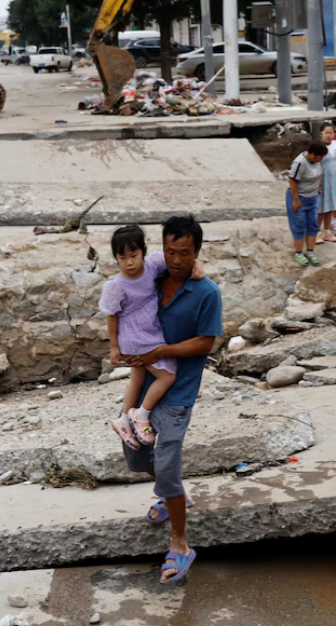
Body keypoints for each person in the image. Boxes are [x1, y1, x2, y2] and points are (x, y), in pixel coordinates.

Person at [119, 215, 223, 585]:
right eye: (170, 251)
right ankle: (170, 494)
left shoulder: (206, 292)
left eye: (185, 253)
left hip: (177, 391)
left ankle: (180, 543)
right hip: (144, 382)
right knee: (135, 454)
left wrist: (161, 351)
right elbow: (124, 281)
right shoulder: (152, 276)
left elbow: (205, 342)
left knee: (166, 464)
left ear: (197, 252)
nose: (177, 260)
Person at [102, 225, 202, 447]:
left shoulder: (153, 265)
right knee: (167, 376)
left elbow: (177, 260)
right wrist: (114, 347)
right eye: (122, 258)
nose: (129, 263)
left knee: (137, 379)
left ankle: (124, 419)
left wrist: (196, 264)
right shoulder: (117, 286)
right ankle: (142, 415)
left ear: (144, 251)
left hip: (148, 331)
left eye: (134, 256)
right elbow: (112, 317)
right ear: (116, 258)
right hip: (137, 338)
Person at [287, 141, 328, 266]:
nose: (321, 159)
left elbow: (318, 174)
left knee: (313, 224)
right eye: (320, 157)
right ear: (312, 155)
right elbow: (292, 181)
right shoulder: (300, 163)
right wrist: (295, 200)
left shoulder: (317, 161)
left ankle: (310, 252)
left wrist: (318, 186)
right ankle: (298, 253)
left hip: (312, 197)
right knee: (299, 225)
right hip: (299, 198)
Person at [317, 123, 336, 242]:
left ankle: (327, 232)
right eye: (326, 133)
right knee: (320, 208)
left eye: (331, 133)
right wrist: (316, 183)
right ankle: (316, 232)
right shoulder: (318, 147)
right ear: (321, 133)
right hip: (322, 180)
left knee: (331, 206)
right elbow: (314, 165)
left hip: (334, 178)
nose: (329, 135)